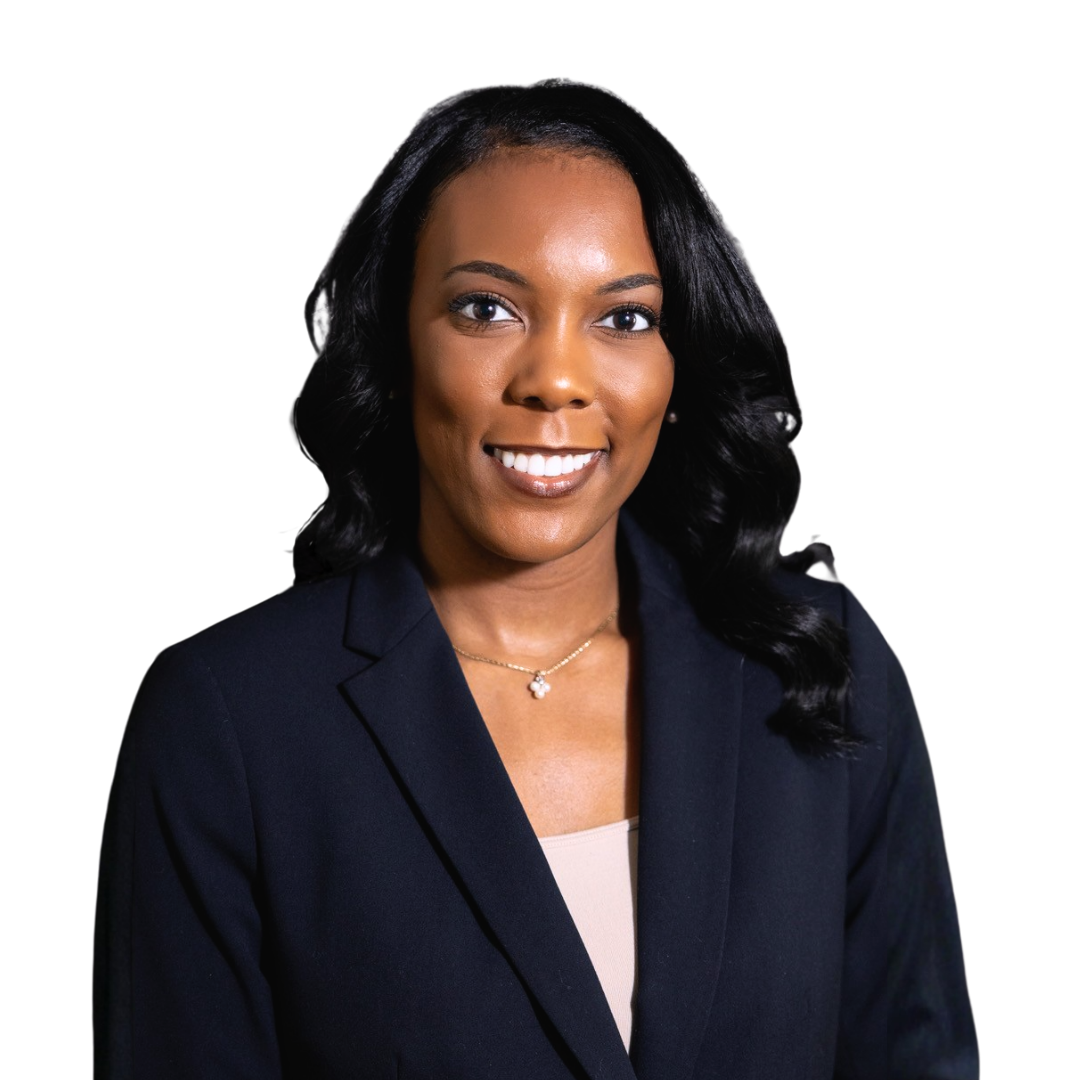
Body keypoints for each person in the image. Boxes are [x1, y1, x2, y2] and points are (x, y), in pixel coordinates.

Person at [93, 79, 978, 1078]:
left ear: (679, 370)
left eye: (624, 319)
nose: (554, 380)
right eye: (487, 308)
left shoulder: (822, 665)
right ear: (395, 344)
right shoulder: (228, 721)